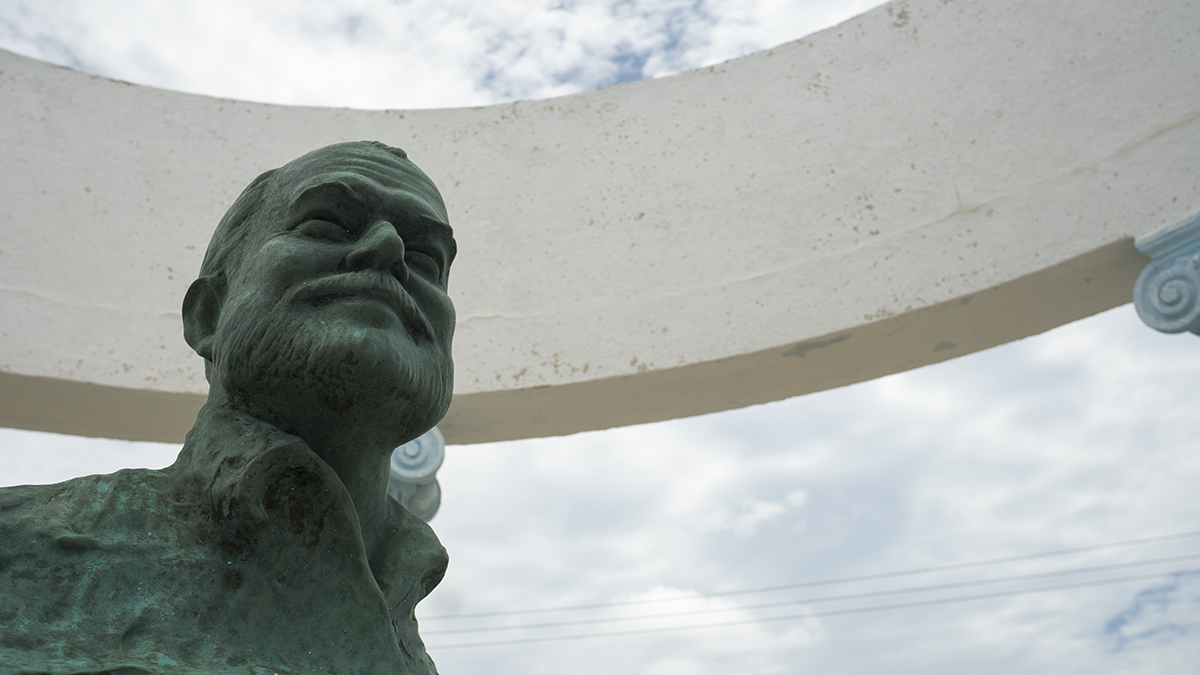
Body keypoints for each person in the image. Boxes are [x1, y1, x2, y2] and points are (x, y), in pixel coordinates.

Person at [0, 141, 456, 674]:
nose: (388, 249)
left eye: (427, 258)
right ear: (208, 314)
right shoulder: (17, 550)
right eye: (327, 223)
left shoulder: (406, 604)